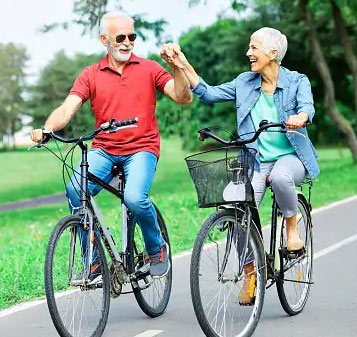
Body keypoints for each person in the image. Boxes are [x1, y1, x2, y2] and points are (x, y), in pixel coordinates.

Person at [160, 27, 319, 302]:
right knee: (237, 211)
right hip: (255, 160)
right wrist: (182, 63)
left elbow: (307, 106)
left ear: (272, 53)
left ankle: (292, 227)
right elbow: (208, 93)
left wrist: (301, 116)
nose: (248, 53)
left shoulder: (296, 81)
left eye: (254, 48)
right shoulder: (245, 82)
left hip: (290, 157)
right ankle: (250, 271)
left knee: (281, 177)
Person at [31, 11, 192, 278]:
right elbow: (67, 108)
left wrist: (176, 67)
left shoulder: (150, 68)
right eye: (121, 37)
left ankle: (156, 248)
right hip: (104, 149)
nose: (128, 42)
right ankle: (94, 261)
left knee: (134, 198)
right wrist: (47, 129)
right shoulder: (91, 74)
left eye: (132, 36)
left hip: (142, 148)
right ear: (104, 39)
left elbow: (182, 97)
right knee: (75, 190)